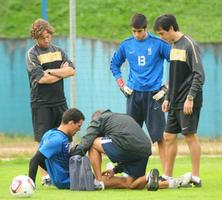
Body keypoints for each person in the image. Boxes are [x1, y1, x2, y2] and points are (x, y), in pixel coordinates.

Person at [70, 110, 191, 190]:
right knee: (131, 184)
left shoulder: (99, 120)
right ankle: (160, 180)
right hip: (144, 148)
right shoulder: (122, 117)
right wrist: (115, 169)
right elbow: (130, 152)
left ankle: (98, 181)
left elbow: (86, 143)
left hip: (126, 144)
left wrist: (69, 155)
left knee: (93, 143)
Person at [110, 13, 171, 171]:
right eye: (133, 31)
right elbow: (114, 65)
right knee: (129, 136)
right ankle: (126, 171)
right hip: (133, 95)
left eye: (139, 31)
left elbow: (178, 66)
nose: (136, 34)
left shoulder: (159, 43)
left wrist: (166, 88)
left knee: (160, 137)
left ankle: (166, 173)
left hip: (155, 96)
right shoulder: (126, 45)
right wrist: (122, 85)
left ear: (145, 29)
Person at [153, 14, 205, 187]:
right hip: (175, 101)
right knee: (168, 136)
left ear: (171, 29)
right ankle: (167, 175)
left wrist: (190, 98)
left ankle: (196, 177)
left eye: (162, 33)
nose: (161, 37)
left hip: (188, 100)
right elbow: (174, 77)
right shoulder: (173, 46)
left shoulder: (189, 44)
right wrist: (168, 98)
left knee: (189, 135)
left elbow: (199, 75)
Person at [26, 19, 75, 183]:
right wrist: (60, 72)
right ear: (36, 37)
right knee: (43, 140)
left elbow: (71, 71)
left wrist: (51, 71)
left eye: (48, 37)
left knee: (66, 138)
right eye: (43, 38)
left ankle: (64, 171)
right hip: (41, 104)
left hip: (60, 102)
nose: (46, 40)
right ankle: (45, 177)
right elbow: (41, 79)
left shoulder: (59, 51)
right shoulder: (32, 54)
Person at [28, 108, 85, 189]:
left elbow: (40, 159)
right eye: (79, 126)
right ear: (71, 123)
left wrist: (53, 174)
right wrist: (31, 185)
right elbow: (35, 160)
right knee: (103, 181)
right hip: (69, 180)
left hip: (66, 179)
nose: (79, 129)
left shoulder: (49, 133)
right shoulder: (58, 140)